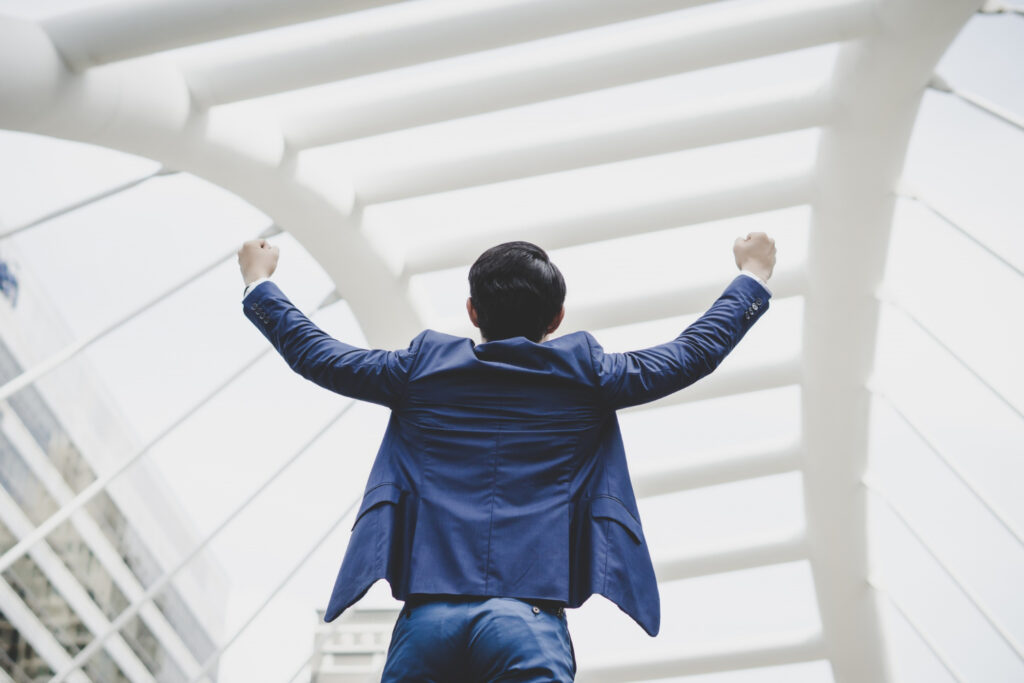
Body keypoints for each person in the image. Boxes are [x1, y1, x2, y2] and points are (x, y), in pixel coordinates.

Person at [237, 234, 776, 682]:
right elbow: (692, 354)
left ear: (472, 311)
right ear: (557, 317)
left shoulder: (420, 369)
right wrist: (752, 273)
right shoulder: (589, 375)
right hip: (529, 621)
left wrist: (260, 281)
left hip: (428, 622)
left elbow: (318, 354)